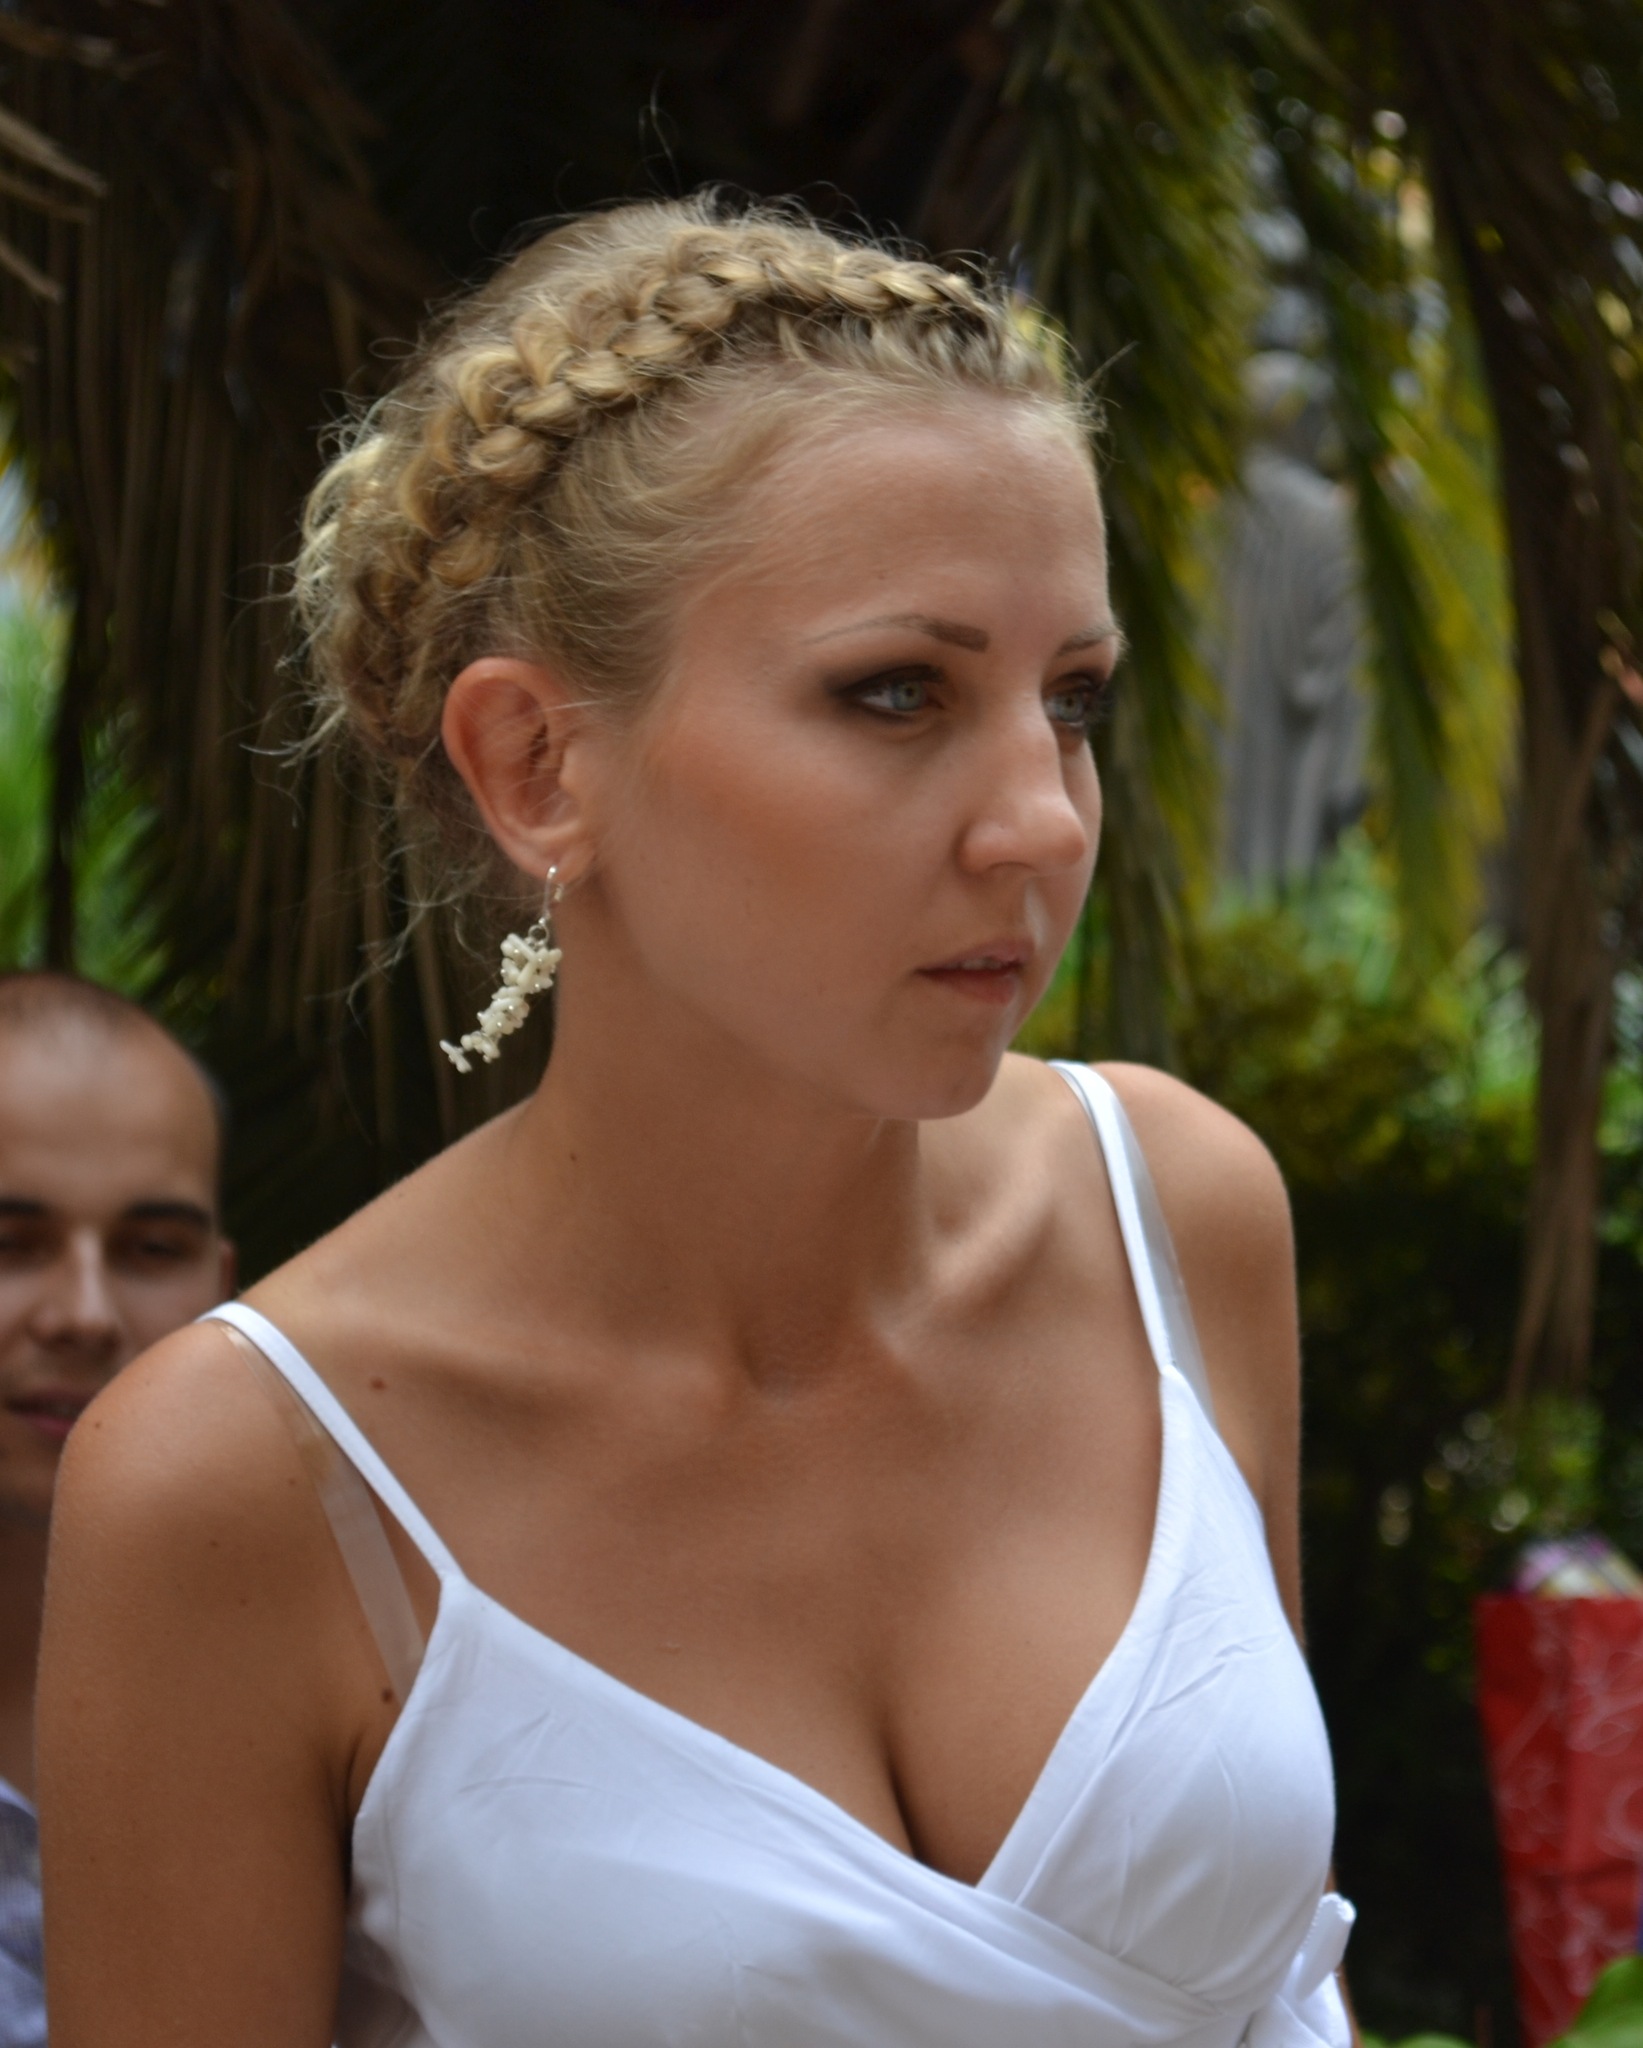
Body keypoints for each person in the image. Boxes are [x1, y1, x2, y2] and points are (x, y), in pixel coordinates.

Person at [38, 196, 1355, 2047]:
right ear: (534, 764)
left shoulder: (1176, 1215)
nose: (1042, 821)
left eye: (1069, 700)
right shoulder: (245, 1479)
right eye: (895, 693)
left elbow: (1283, 1967)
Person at [0, 973, 233, 2045]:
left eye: (151, 1249)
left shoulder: (363, 1690)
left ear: (222, 1284)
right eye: (11, 1243)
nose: (86, 1314)